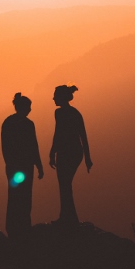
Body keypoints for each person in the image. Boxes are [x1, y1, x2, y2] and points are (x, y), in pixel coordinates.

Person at [1, 92, 43, 238]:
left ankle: (14, 226)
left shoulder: (8, 122)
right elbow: (34, 146)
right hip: (24, 166)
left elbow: (5, 146)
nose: (30, 109)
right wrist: (39, 165)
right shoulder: (27, 124)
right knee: (24, 196)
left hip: (16, 166)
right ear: (23, 107)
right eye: (29, 106)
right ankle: (23, 225)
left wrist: (9, 163)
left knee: (15, 195)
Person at [49, 84, 92, 225]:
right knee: (65, 184)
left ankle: (68, 218)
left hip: (68, 152)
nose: (53, 98)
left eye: (55, 96)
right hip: (71, 152)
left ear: (61, 97)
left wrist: (52, 152)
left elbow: (62, 133)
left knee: (64, 184)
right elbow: (81, 136)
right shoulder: (73, 113)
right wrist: (87, 158)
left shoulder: (63, 113)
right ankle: (68, 217)